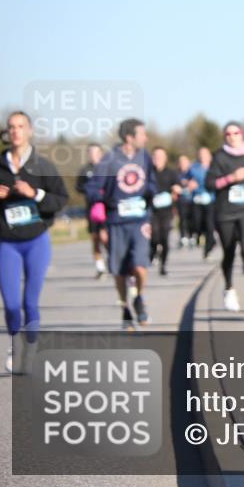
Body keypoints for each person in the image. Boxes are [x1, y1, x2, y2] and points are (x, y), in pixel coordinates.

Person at [0, 112, 68, 373]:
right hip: (8, 243)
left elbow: (61, 199)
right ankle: (16, 345)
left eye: (20, 127)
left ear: (30, 131)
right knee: (11, 304)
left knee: (29, 303)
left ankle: (32, 347)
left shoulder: (42, 166)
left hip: (36, 241)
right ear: (7, 132)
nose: (15, 131)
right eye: (11, 127)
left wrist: (35, 193)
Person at [86, 118, 158, 329]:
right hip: (117, 222)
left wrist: (150, 193)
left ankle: (139, 298)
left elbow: (152, 182)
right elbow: (93, 187)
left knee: (140, 266)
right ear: (129, 137)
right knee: (119, 271)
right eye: (142, 134)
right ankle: (125, 308)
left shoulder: (145, 157)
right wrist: (99, 202)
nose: (146, 138)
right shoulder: (109, 160)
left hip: (140, 221)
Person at [207, 122, 244, 312]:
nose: (232, 136)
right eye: (228, 134)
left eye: (236, 132)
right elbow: (210, 183)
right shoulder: (219, 156)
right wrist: (231, 178)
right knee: (229, 251)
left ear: (242, 134)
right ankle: (229, 289)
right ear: (225, 137)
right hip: (226, 211)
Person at [75, 142, 107, 277]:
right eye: (91, 152)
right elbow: (78, 187)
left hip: (107, 208)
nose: (93, 155)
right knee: (95, 238)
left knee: (105, 237)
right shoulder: (85, 170)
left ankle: (114, 260)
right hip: (92, 209)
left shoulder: (108, 168)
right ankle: (100, 267)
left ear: (101, 153)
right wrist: (90, 189)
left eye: (96, 152)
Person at [149, 146, 181, 276]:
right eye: (155, 157)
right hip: (152, 210)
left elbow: (178, 187)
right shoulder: (148, 173)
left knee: (164, 238)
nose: (158, 159)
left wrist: (176, 189)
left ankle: (163, 265)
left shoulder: (171, 173)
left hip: (167, 211)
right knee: (154, 236)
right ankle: (153, 252)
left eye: (160, 157)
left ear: (165, 158)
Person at [186, 147, 217, 259]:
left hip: (211, 199)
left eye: (205, 154)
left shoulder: (214, 167)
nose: (203, 156)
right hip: (197, 199)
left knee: (209, 224)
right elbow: (185, 179)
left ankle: (209, 246)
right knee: (197, 223)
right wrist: (189, 184)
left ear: (209, 155)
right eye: (201, 154)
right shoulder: (194, 167)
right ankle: (203, 237)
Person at [175, 154, 195, 248]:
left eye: (185, 162)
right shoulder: (177, 174)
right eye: (181, 162)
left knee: (191, 219)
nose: (183, 164)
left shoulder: (192, 173)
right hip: (181, 200)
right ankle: (183, 237)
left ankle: (191, 236)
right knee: (182, 219)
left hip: (192, 200)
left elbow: (196, 183)